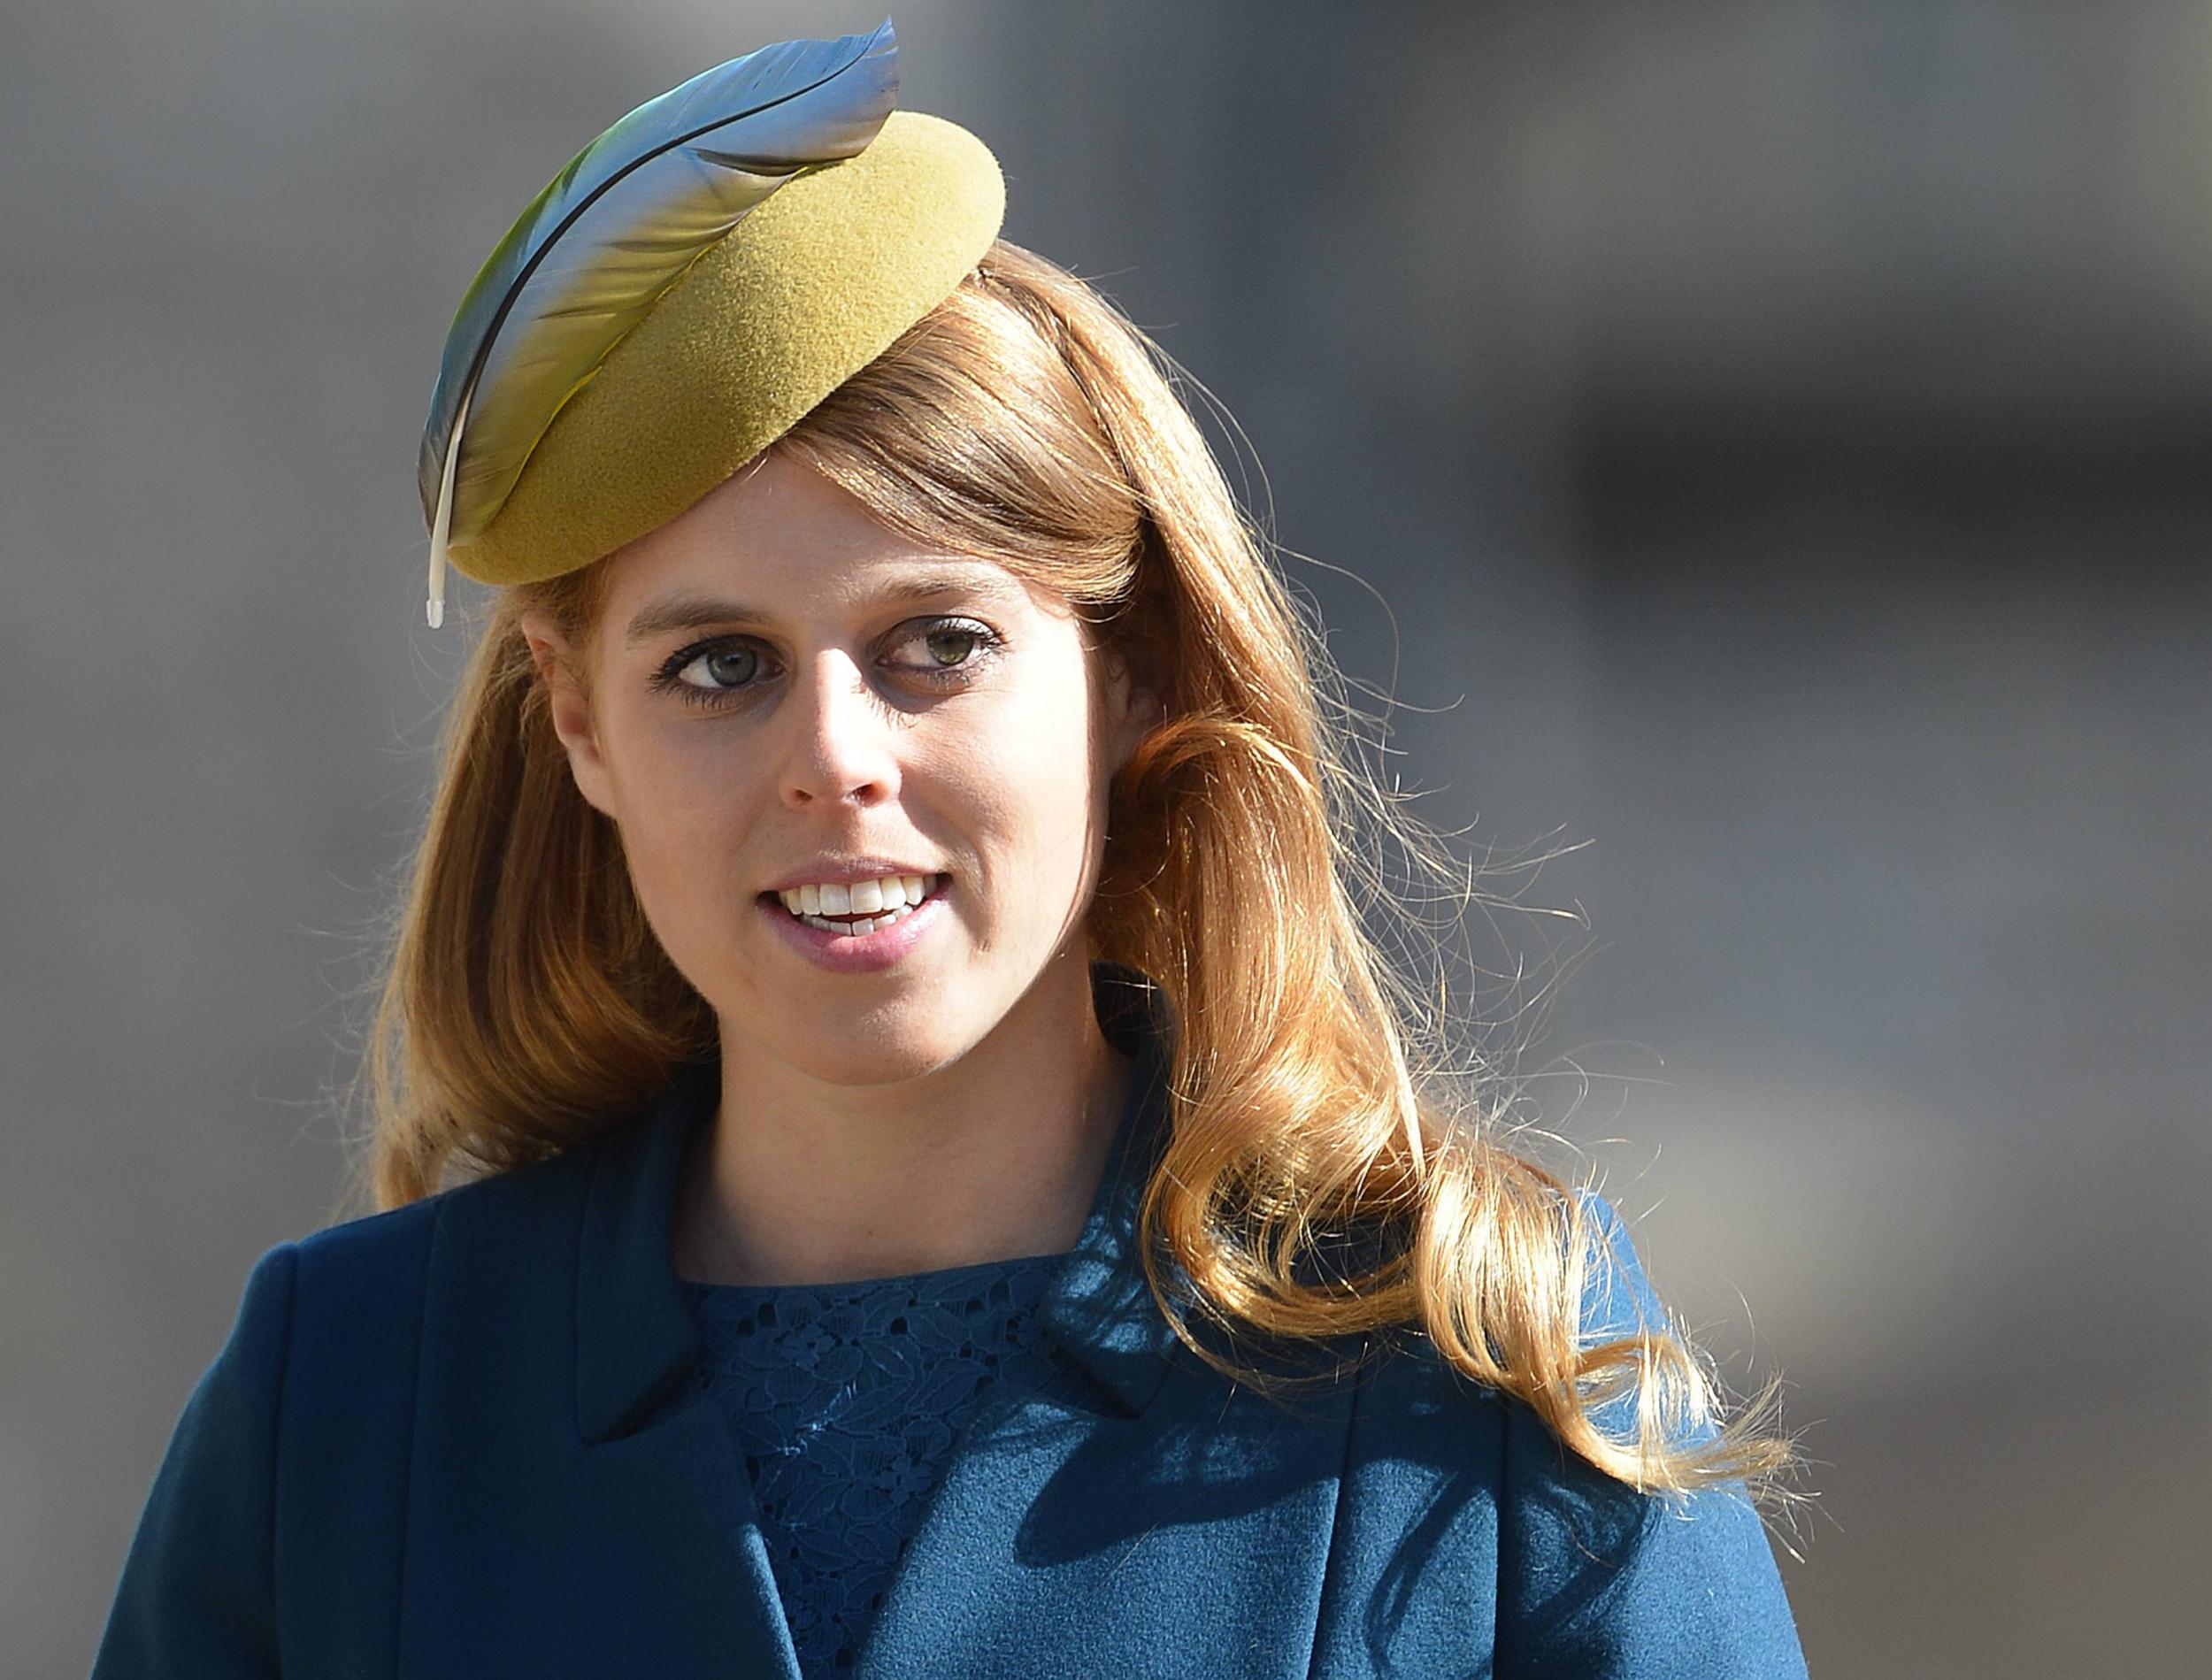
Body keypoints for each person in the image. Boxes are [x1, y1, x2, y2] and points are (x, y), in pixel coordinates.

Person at [92, 21, 1809, 1677]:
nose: (833, 758)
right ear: (577, 722)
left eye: (937, 643)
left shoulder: (1476, 1361)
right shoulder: (345, 1402)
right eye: (716, 665)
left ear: (1128, 670)